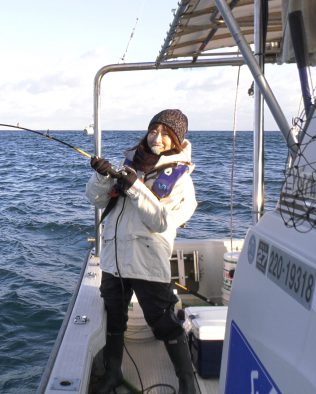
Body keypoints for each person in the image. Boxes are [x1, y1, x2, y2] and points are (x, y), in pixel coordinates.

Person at [86, 109, 197, 394]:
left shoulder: (181, 178)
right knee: (114, 317)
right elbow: (97, 199)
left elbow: (160, 221)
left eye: (165, 134)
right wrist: (102, 177)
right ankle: (112, 374)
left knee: (164, 322)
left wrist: (135, 187)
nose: (157, 138)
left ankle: (187, 382)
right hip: (114, 259)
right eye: (153, 131)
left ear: (176, 140)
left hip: (147, 261)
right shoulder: (129, 164)